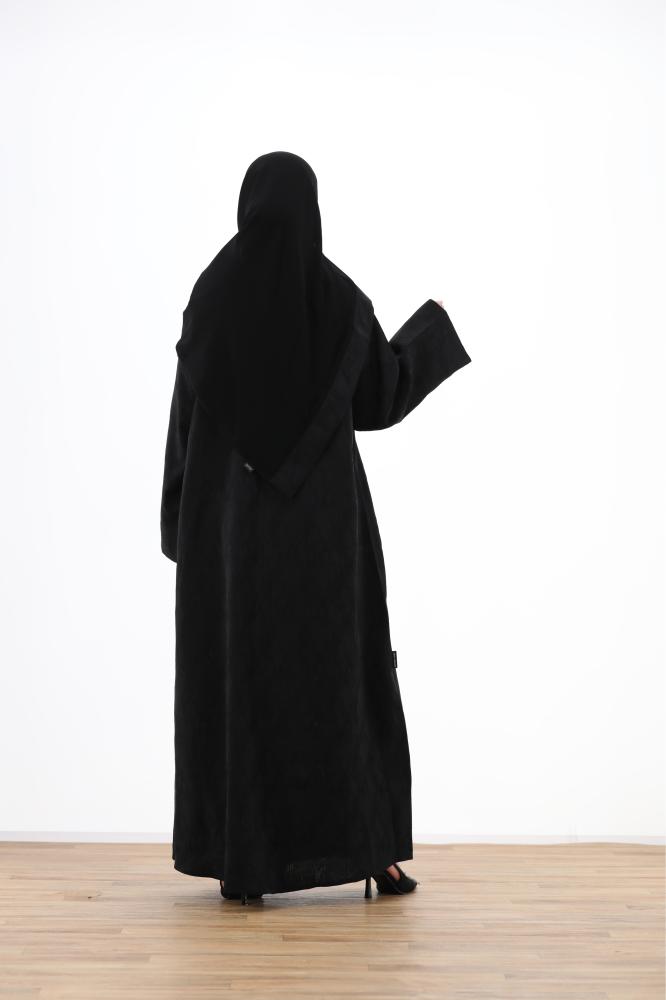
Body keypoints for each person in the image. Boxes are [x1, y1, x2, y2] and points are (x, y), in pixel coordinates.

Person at [160, 151, 472, 905]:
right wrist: (430, 332)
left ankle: (245, 864)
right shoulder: (337, 301)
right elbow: (378, 399)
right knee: (340, 685)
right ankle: (374, 855)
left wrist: (178, 525)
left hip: (231, 538)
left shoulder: (211, 298)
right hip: (324, 539)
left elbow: (185, 422)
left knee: (241, 688)